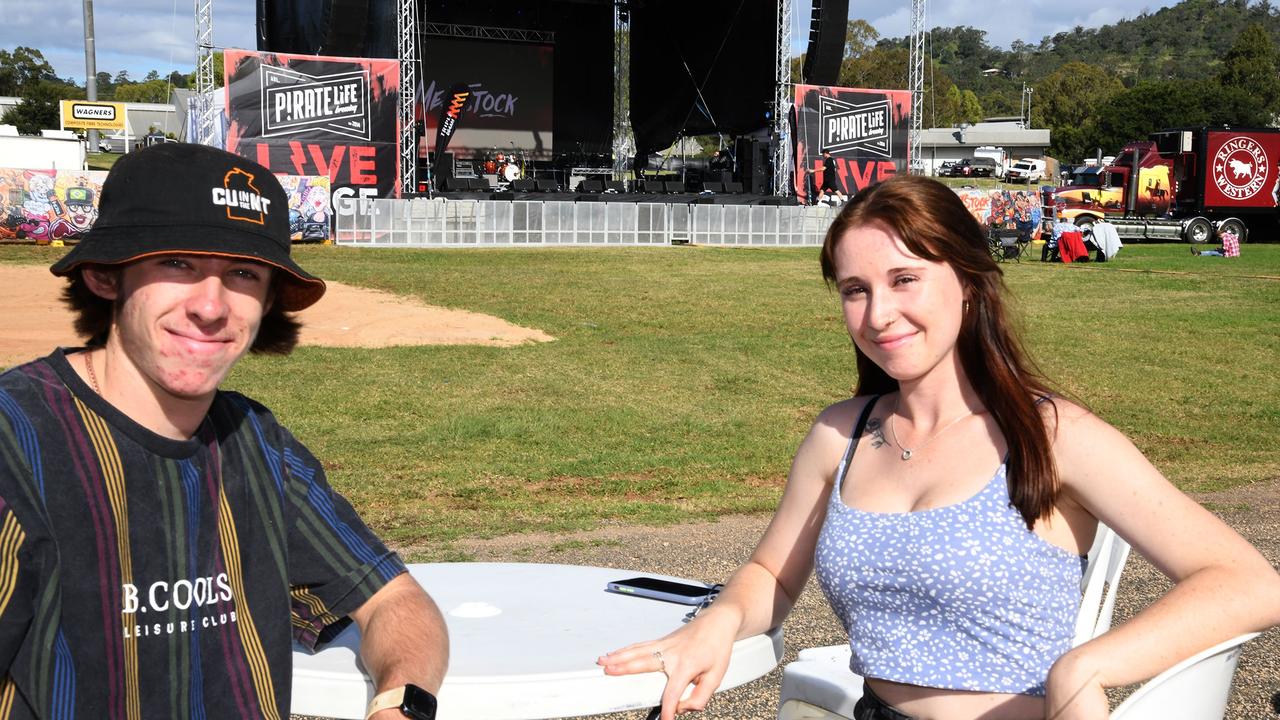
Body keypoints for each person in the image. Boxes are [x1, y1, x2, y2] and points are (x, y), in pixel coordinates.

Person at [598, 175, 1280, 720]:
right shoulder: (841, 433)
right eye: (855, 291)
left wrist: (1087, 667)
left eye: (904, 279)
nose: (878, 315)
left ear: (968, 278)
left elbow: (1249, 583)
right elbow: (772, 576)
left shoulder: (1050, 436)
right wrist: (720, 619)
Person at [0, 143, 449, 719]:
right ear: (106, 276)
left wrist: (400, 705)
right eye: (178, 264)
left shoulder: (253, 440)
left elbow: (394, 600)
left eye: (242, 273)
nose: (211, 307)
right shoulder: (20, 443)